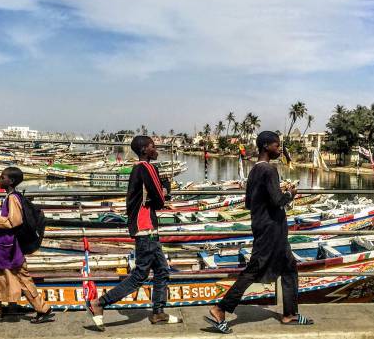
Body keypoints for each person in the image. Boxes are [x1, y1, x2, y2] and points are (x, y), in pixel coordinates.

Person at [205, 131, 313, 334]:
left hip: (265, 225)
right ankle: (221, 308)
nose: (279, 149)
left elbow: (249, 202)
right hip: (271, 229)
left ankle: (290, 314)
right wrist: (290, 193)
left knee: (289, 267)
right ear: (266, 146)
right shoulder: (269, 170)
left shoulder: (254, 170)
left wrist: (275, 194)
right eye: (276, 145)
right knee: (255, 268)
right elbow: (278, 201)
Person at [87, 135, 181, 329]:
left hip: (143, 228)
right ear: (145, 150)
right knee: (140, 275)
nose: (156, 150)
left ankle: (158, 312)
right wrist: (165, 189)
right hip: (146, 228)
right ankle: (99, 303)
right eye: (153, 147)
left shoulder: (136, 169)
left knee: (162, 270)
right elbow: (160, 200)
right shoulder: (147, 167)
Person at [0, 166, 53, 323]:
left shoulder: (12, 198)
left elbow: (15, 221)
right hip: (6, 246)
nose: (0, 180)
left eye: (2, 177)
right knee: (0, 278)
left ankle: (43, 308)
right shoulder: (12, 197)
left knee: (21, 278)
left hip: (10, 248)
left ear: (11, 181)